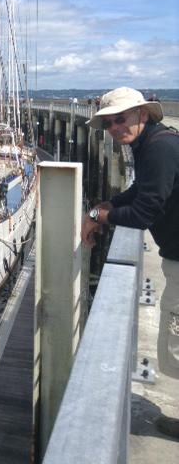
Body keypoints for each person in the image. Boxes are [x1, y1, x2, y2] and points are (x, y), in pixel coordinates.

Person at [81, 87, 179, 439]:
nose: (113, 128)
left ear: (142, 113)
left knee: (176, 345)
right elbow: (140, 191)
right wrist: (108, 204)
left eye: (119, 119)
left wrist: (98, 215)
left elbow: (142, 213)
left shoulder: (160, 149)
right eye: (107, 124)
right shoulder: (152, 143)